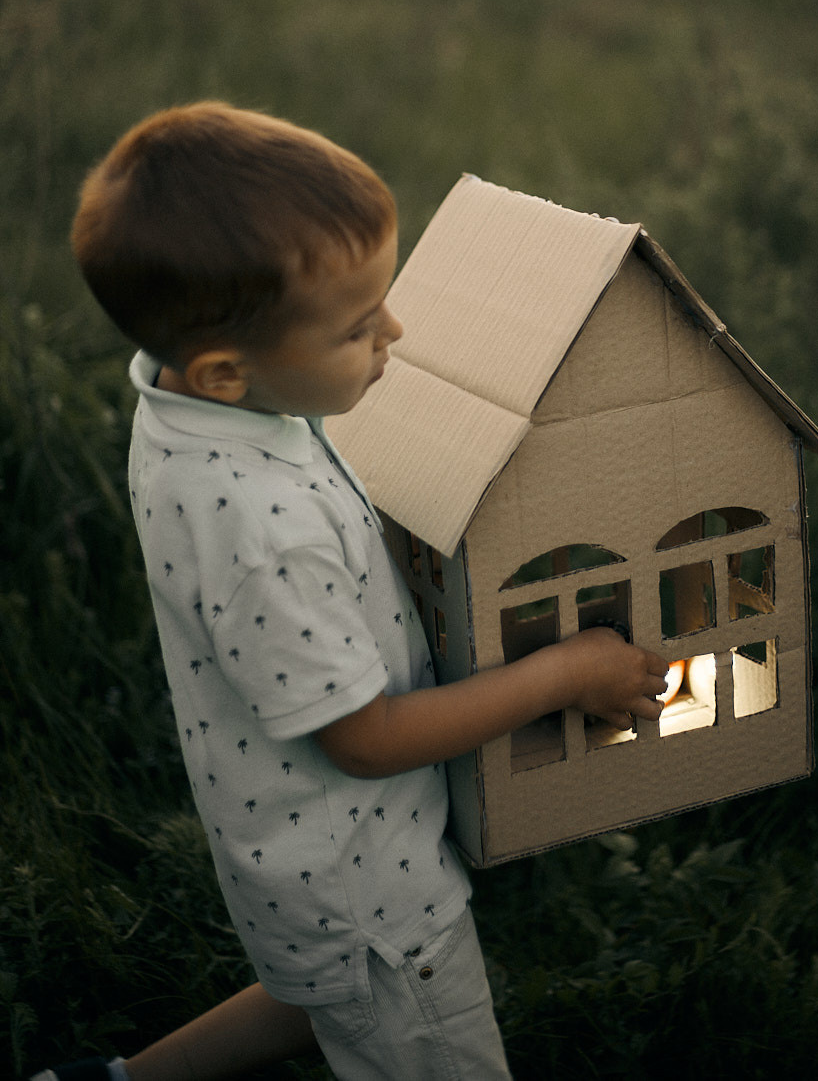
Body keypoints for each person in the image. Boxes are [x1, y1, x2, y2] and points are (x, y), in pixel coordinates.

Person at [35, 102, 668, 1081]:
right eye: (357, 326)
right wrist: (562, 672)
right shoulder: (260, 530)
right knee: (389, 1004)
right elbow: (364, 739)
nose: (395, 332)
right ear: (226, 372)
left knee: (323, 993)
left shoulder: (187, 408)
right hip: (369, 884)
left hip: (303, 858)